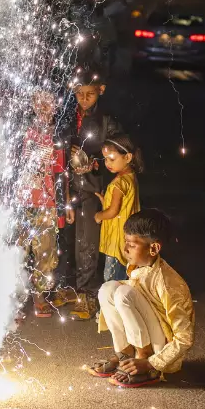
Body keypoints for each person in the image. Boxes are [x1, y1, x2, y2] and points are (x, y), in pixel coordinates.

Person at [87, 209, 195, 389]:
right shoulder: (139, 266)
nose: (125, 249)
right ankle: (125, 353)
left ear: (154, 248)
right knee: (108, 288)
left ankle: (143, 359)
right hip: (148, 334)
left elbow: (185, 338)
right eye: (126, 241)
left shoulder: (168, 283)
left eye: (132, 244)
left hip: (161, 351)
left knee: (124, 294)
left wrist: (152, 362)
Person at [66, 79, 122, 319]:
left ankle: (87, 293)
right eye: (80, 94)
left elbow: (116, 149)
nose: (85, 99)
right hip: (66, 186)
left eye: (90, 94)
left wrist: (94, 163)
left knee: (87, 241)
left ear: (101, 90)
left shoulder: (106, 119)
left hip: (92, 187)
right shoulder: (67, 115)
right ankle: (70, 287)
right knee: (66, 241)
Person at [21, 91, 64, 317]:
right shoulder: (25, 131)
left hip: (48, 202)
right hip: (24, 200)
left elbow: (60, 172)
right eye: (39, 102)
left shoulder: (58, 134)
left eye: (49, 102)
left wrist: (64, 204)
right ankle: (15, 298)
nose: (44, 107)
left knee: (45, 251)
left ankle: (39, 295)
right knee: (20, 249)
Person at [94, 134, 142, 283]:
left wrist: (99, 215)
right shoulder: (131, 177)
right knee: (124, 276)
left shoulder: (118, 184)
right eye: (106, 159)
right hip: (128, 237)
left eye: (112, 159)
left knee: (111, 279)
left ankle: (111, 305)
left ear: (127, 157)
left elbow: (113, 211)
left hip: (116, 240)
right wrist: (106, 201)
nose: (108, 163)